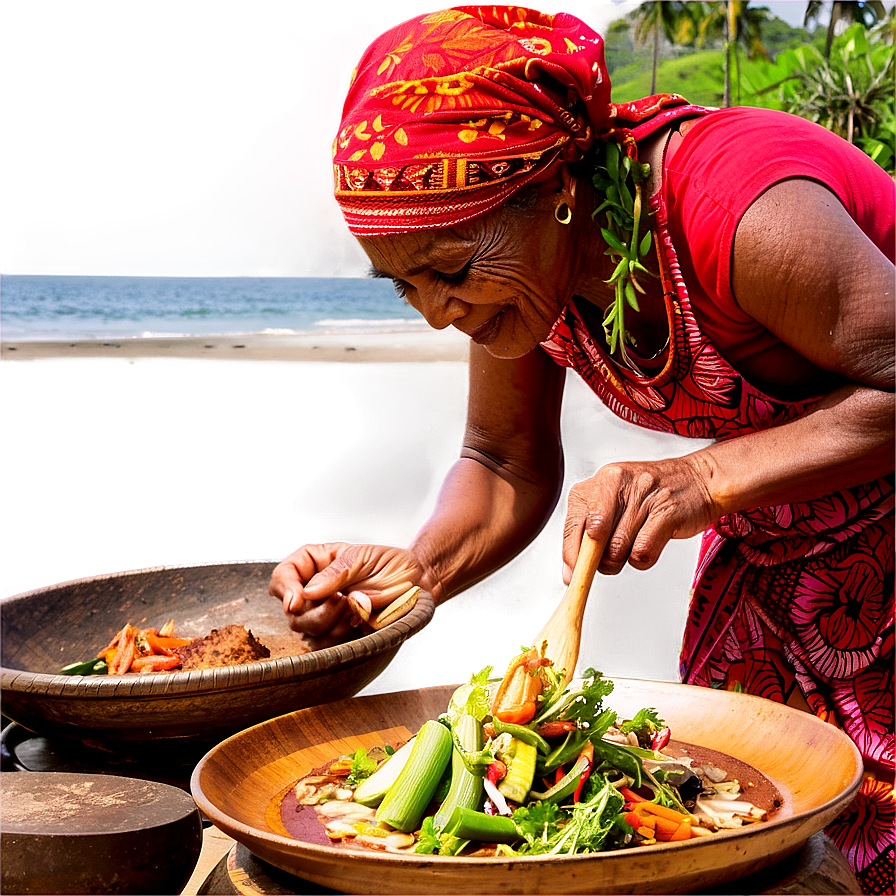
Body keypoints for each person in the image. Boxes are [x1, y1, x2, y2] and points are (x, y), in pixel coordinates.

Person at [269, 6, 894, 891]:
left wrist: (706, 477)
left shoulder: (739, 210)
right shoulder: (522, 280)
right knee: (747, 834)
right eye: (402, 284)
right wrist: (414, 573)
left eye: (450, 270)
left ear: (560, 189)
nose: (441, 313)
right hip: (778, 563)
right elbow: (501, 460)